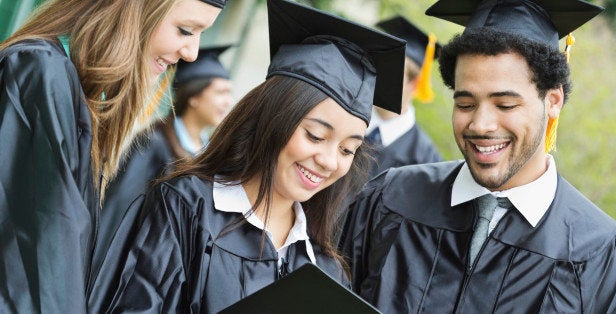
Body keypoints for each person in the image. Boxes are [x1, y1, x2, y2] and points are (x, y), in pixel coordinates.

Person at [93, 0, 405, 313]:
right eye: (315, 136)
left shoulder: (326, 269)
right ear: (272, 118)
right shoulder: (186, 206)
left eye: (347, 149)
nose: (329, 160)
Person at [339, 0, 616, 313]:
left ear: (553, 101)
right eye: (465, 104)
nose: (480, 125)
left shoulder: (602, 253)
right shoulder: (390, 199)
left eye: (505, 105)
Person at [0, 0, 226, 312]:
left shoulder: (71, 88)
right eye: (185, 30)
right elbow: (37, 263)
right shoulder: (40, 73)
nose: (191, 53)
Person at [90, 45, 235, 293]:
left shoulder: (208, 157)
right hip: (130, 275)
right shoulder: (151, 144)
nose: (228, 102)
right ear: (194, 96)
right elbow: (116, 215)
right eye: (221, 92)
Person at [365, 15, 443, 179]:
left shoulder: (427, 162)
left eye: (392, 73)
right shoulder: (347, 120)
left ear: (414, 84)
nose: (380, 77)